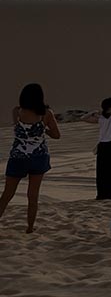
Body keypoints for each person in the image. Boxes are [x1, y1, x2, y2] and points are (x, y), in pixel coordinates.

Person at [0, 84, 61, 233]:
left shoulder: (17, 111)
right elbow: (57, 135)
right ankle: (30, 227)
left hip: (18, 157)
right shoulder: (46, 114)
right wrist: (43, 130)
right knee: (33, 196)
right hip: (38, 157)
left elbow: (19, 129)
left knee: (7, 194)